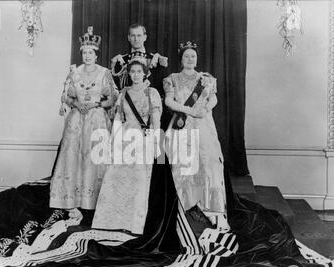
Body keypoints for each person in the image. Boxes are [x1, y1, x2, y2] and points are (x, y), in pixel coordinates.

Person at [49, 27, 117, 223]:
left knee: (95, 158)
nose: (87, 56)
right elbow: (66, 96)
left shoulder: (104, 73)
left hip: (96, 120)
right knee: (74, 158)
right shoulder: (74, 72)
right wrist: (76, 103)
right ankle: (73, 203)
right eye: (85, 53)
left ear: (96, 55)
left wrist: (96, 103)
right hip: (77, 120)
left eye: (91, 53)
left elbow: (112, 99)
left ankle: (96, 202)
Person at [163, 41, 230, 233]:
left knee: (209, 165)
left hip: (204, 125)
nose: (190, 59)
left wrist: (206, 109)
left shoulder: (206, 79)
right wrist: (189, 110)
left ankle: (215, 212)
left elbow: (213, 98)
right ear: (181, 59)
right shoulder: (172, 79)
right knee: (184, 166)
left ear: (197, 58)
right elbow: (168, 101)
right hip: (182, 125)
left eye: (193, 56)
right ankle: (189, 207)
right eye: (186, 56)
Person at [91, 58, 162, 235]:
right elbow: (118, 119)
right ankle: (110, 221)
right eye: (133, 72)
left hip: (143, 140)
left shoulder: (151, 92)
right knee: (116, 178)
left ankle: (134, 224)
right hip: (124, 139)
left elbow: (156, 118)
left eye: (139, 71)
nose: (136, 75)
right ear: (128, 74)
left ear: (145, 73)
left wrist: (155, 140)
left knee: (138, 181)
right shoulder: (123, 93)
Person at [111, 23, 171, 130]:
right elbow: (116, 93)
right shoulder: (120, 62)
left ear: (145, 37)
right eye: (133, 36)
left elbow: (163, 92)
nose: (136, 39)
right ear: (128, 38)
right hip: (127, 119)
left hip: (151, 118)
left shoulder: (157, 61)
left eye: (139, 35)